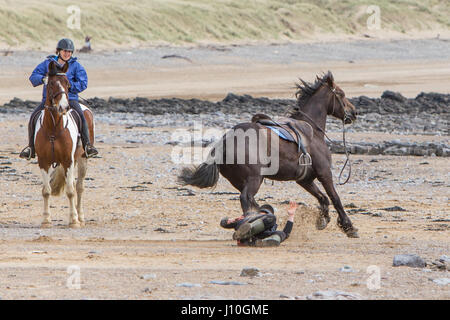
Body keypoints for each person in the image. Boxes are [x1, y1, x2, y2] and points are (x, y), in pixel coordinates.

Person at [19, 38, 98, 160]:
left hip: (70, 99)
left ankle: (87, 146)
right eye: (64, 51)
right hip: (49, 100)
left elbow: (83, 83)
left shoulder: (76, 66)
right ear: (59, 51)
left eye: (69, 52)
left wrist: (69, 85)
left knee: (82, 117)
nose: (67, 54)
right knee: (33, 117)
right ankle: (31, 148)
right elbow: (33, 76)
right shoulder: (47, 64)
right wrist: (42, 79)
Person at [220, 201, 298, 247]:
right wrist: (232, 219)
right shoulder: (246, 216)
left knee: (282, 233)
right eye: (263, 213)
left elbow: (286, 233)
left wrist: (291, 215)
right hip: (248, 226)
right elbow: (223, 223)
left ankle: (266, 242)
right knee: (272, 218)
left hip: (257, 237)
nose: (263, 214)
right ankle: (245, 232)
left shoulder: (271, 223)